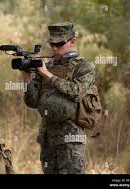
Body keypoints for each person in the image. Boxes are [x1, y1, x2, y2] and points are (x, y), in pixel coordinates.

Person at [23, 22, 96, 174]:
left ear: (73, 42)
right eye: (52, 44)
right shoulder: (46, 66)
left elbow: (77, 91)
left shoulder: (84, 66)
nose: (55, 48)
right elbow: (31, 102)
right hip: (48, 139)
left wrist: (47, 76)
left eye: (59, 44)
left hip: (70, 140)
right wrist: (27, 78)